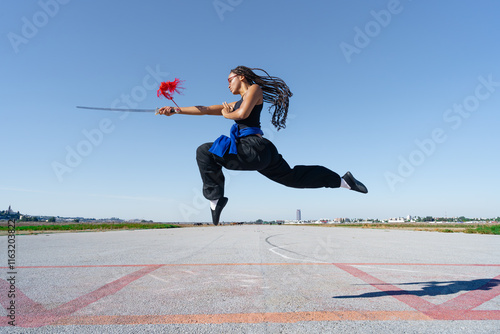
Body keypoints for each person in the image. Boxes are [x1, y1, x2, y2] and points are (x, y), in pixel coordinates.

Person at [158, 66, 367, 225]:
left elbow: (241, 115)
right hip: (261, 152)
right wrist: (175, 111)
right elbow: (203, 109)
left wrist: (226, 113)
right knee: (292, 178)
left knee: (205, 151)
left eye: (229, 79)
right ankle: (343, 182)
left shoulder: (254, 90)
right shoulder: (235, 102)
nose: (227, 84)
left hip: (254, 148)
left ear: (241, 77)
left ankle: (215, 199)